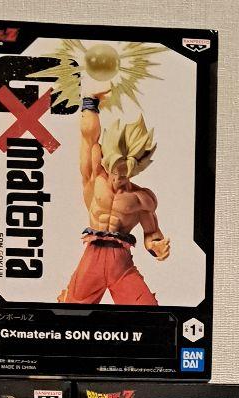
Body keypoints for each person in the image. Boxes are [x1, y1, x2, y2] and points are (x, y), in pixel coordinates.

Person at [58, 90, 169, 305]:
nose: (118, 177)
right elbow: (88, 138)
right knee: (71, 313)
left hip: (121, 264)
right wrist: (90, 104)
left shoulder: (141, 199)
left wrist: (156, 247)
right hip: (92, 260)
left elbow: (152, 233)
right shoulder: (95, 178)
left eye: (125, 173)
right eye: (115, 170)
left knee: (147, 313)